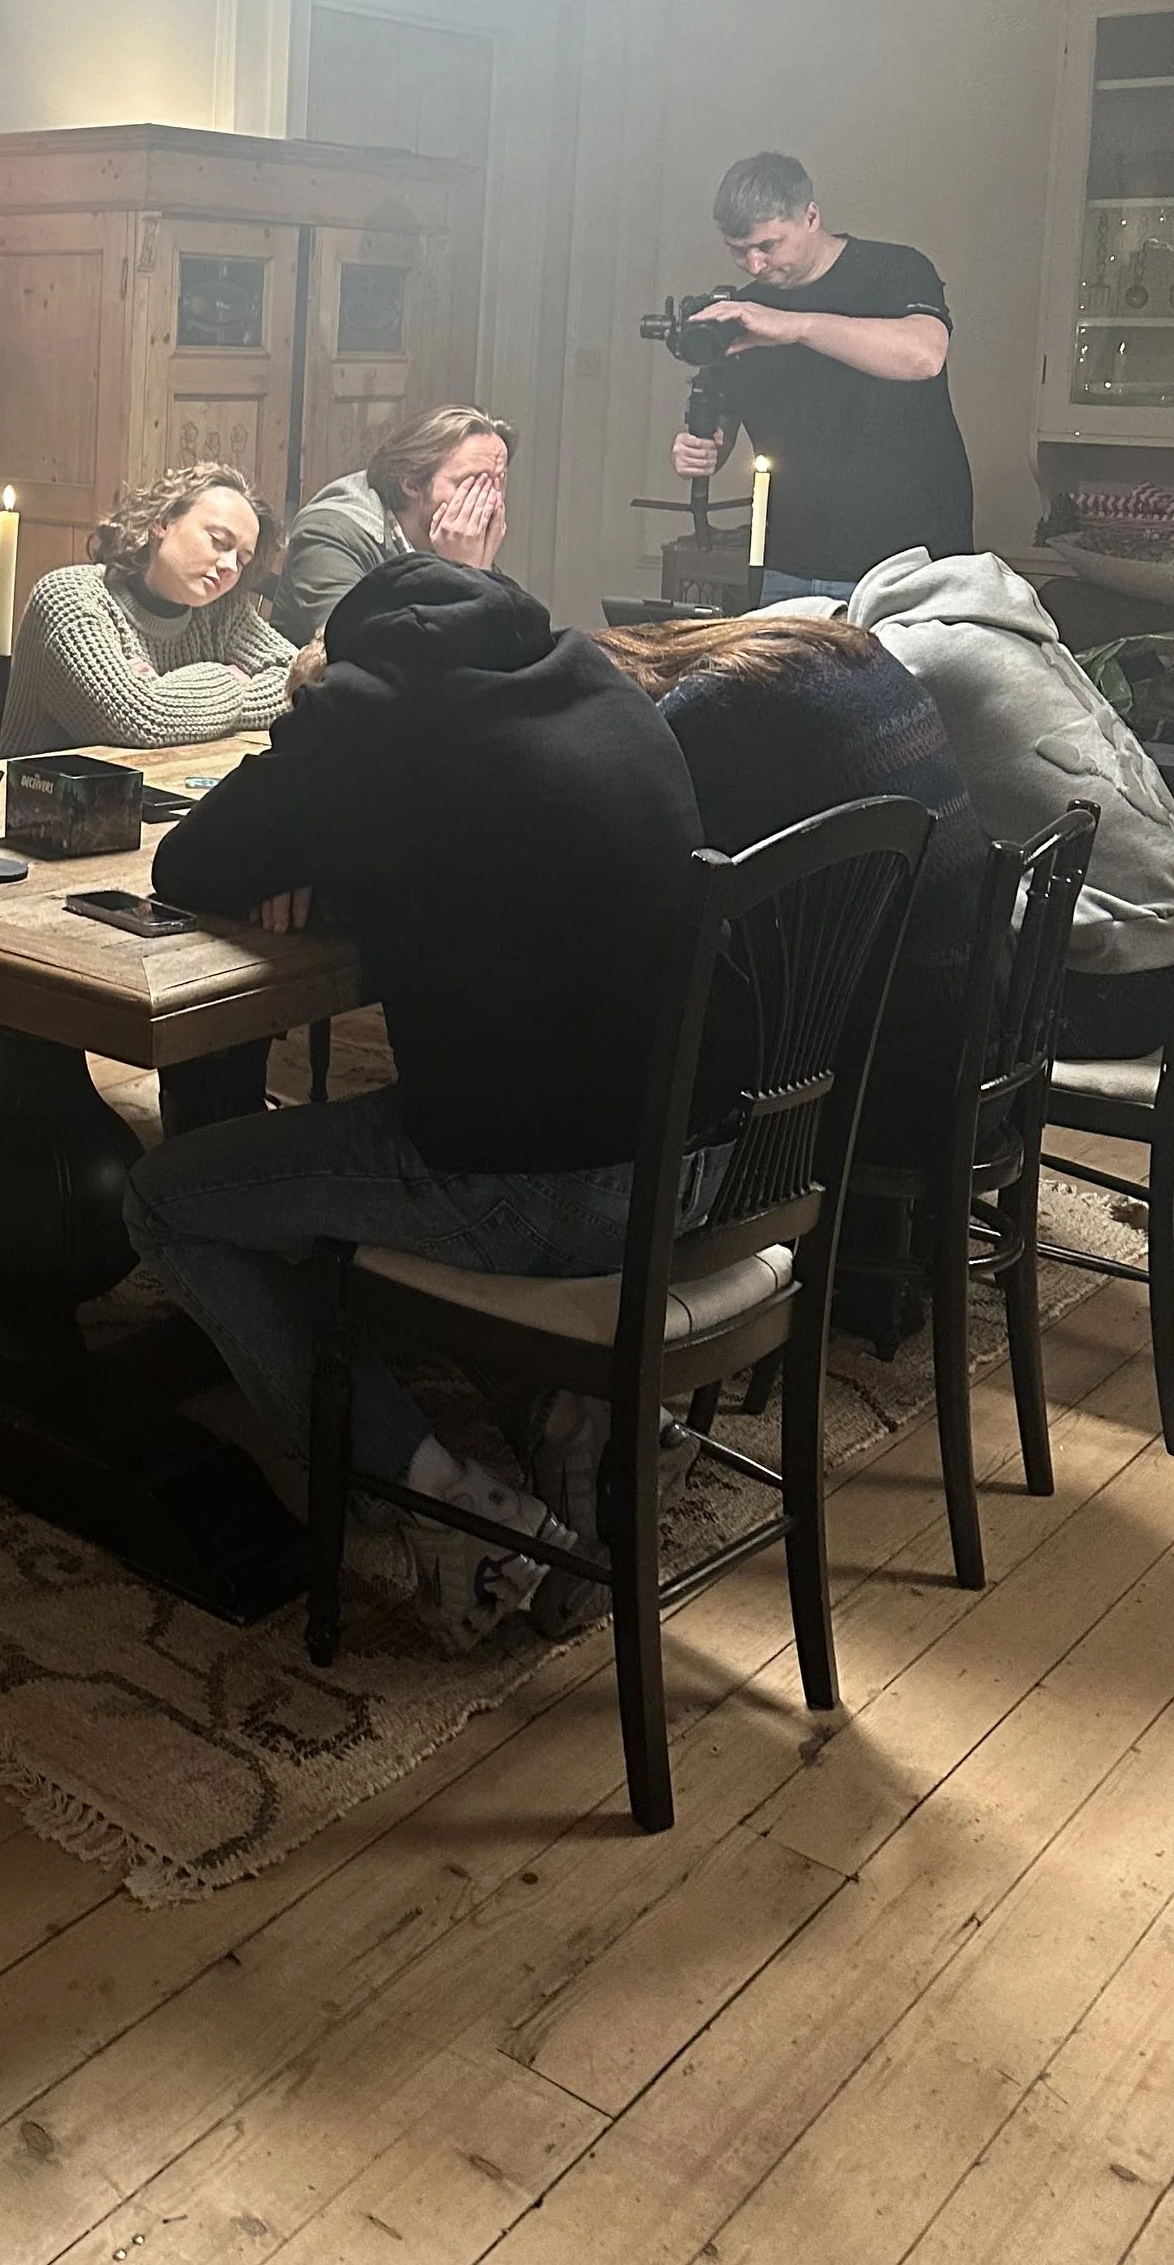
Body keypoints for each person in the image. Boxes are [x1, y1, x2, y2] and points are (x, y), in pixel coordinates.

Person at [123, 552, 704, 1652]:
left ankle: (442, 1506)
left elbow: (193, 861)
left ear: (357, 661)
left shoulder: (381, 723)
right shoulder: (594, 682)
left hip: (538, 1185)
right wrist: (346, 861)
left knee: (167, 1200)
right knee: (324, 1184)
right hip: (694, 1161)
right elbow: (493, 855)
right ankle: (571, 1413)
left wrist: (313, 752)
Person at [592, 611, 985, 1359]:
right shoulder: (835, 654)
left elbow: (654, 884)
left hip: (886, 1075)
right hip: (973, 1034)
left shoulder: (702, 716)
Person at [826, 548, 1174, 1059]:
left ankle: (903, 1131)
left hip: (1114, 989)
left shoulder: (917, 657)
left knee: (893, 944)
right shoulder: (1016, 633)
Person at [672, 151, 974, 602]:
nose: (754, 265)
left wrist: (794, 327)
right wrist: (700, 450)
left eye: (768, 246)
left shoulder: (895, 270)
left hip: (910, 564)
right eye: (739, 250)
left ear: (811, 217)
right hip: (789, 565)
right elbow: (723, 432)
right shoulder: (743, 314)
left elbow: (923, 355)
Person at [0, 463, 291, 758]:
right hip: (20, 795)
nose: (229, 566)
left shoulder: (221, 613)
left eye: (242, 560)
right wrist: (232, 682)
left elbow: (303, 680)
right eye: (218, 541)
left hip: (150, 788)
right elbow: (137, 718)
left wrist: (165, 693)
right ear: (163, 523)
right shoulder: (70, 599)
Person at [270, 403, 518, 644]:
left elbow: (509, 645)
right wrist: (461, 577)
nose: (491, 501)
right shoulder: (327, 534)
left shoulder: (454, 536)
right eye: (473, 484)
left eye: (500, 483)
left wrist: (473, 578)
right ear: (411, 483)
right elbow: (366, 655)